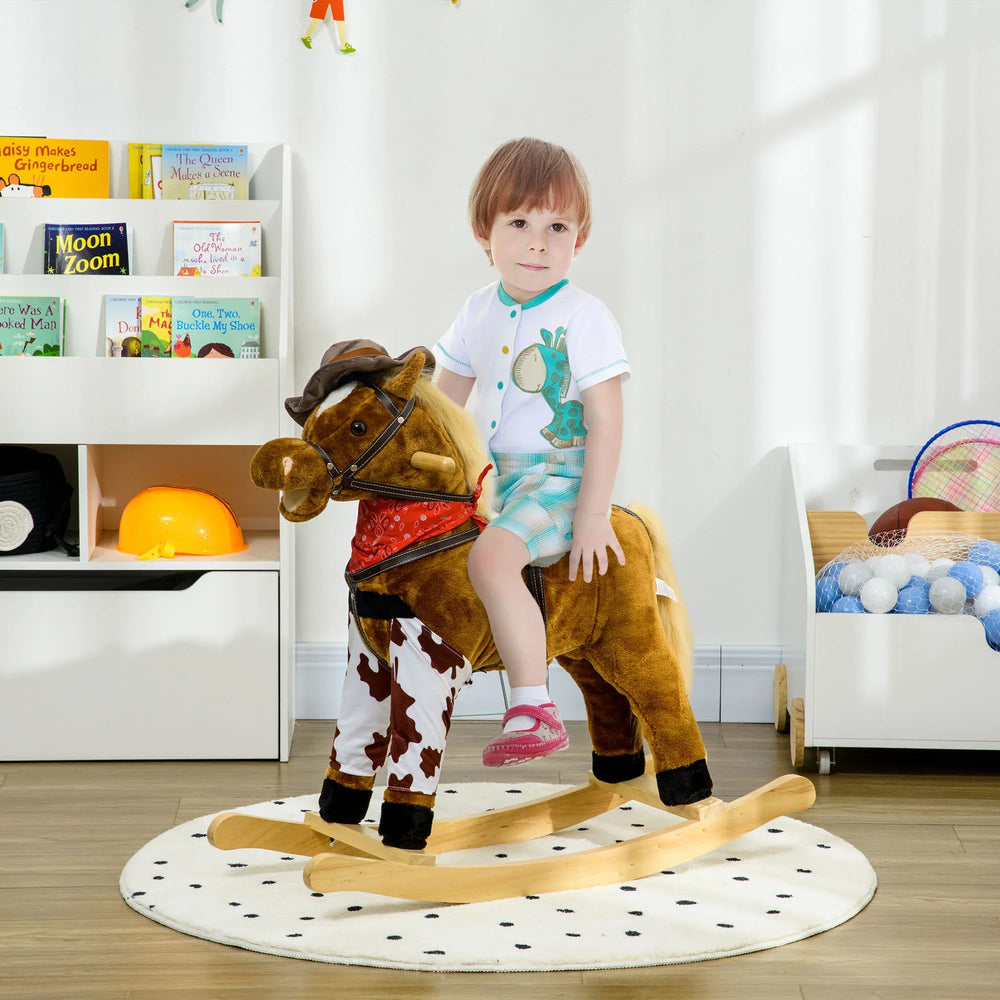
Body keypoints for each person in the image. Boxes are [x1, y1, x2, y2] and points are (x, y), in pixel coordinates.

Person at [433, 137, 630, 767]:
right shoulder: (476, 310)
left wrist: (593, 514)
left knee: (492, 559)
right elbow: (443, 409)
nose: (538, 244)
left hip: (556, 480)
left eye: (557, 227)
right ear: (483, 233)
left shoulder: (584, 316)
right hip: (490, 480)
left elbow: (606, 420)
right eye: (519, 223)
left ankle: (533, 706)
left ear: (580, 238)